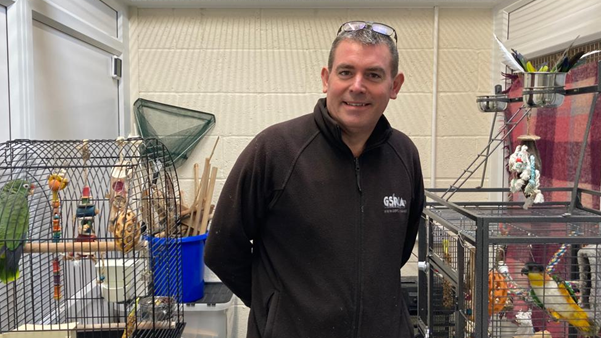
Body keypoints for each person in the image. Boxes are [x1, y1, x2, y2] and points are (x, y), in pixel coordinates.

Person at [205, 20, 425, 338]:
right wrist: (277, 312)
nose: (357, 86)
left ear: (395, 85)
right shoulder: (275, 150)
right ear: (326, 79)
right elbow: (222, 248)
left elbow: (398, 251)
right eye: (346, 72)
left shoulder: (404, 156)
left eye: (374, 75)